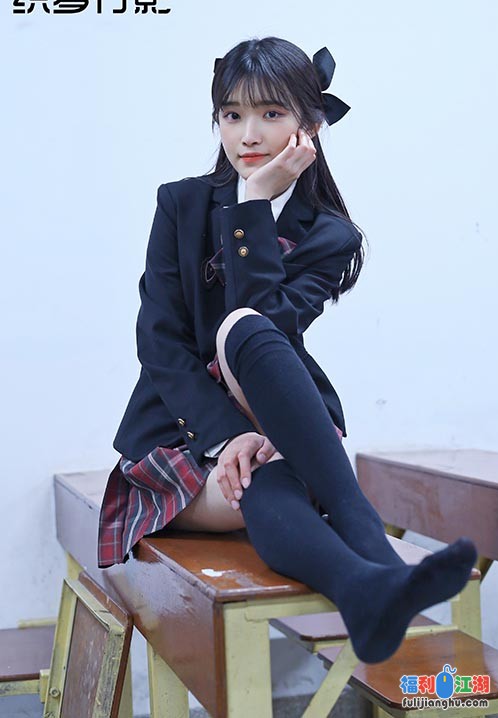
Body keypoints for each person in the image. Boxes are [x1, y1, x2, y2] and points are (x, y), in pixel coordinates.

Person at [98, 36, 477, 664]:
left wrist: (253, 207)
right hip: (181, 437)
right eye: (232, 114)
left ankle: (365, 589)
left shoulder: (329, 234)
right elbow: (160, 343)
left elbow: (265, 326)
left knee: (247, 337)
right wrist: (228, 436)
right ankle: (370, 554)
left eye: (271, 114)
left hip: (273, 413)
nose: (248, 134)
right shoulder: (181, 204)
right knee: (265, 475)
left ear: (310, 125)